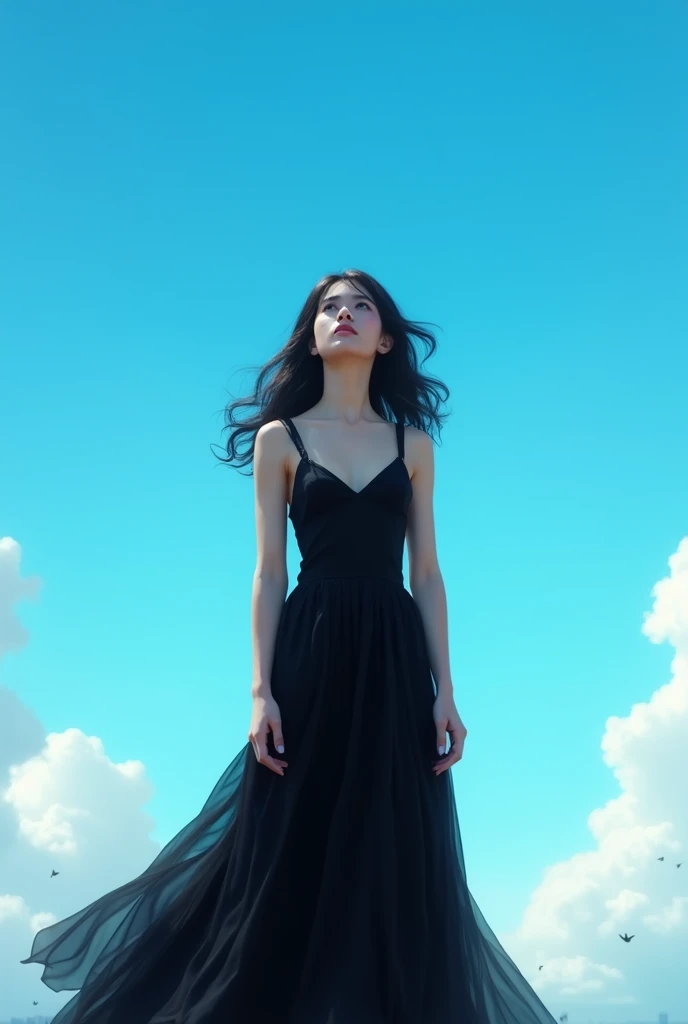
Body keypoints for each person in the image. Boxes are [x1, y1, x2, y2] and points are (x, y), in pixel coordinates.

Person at [21, 269, 558, 1023]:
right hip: (308, 652)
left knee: (394, 858)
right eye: (329, 309)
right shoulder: (282, 439)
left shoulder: (414, 446)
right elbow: (269, 572)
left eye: (360, 306)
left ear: (386, 337)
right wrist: (260, 690)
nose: (345, 316)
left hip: (395, 660)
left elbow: (428, 573)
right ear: (312, 334)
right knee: (283, 855)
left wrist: (447, 690)